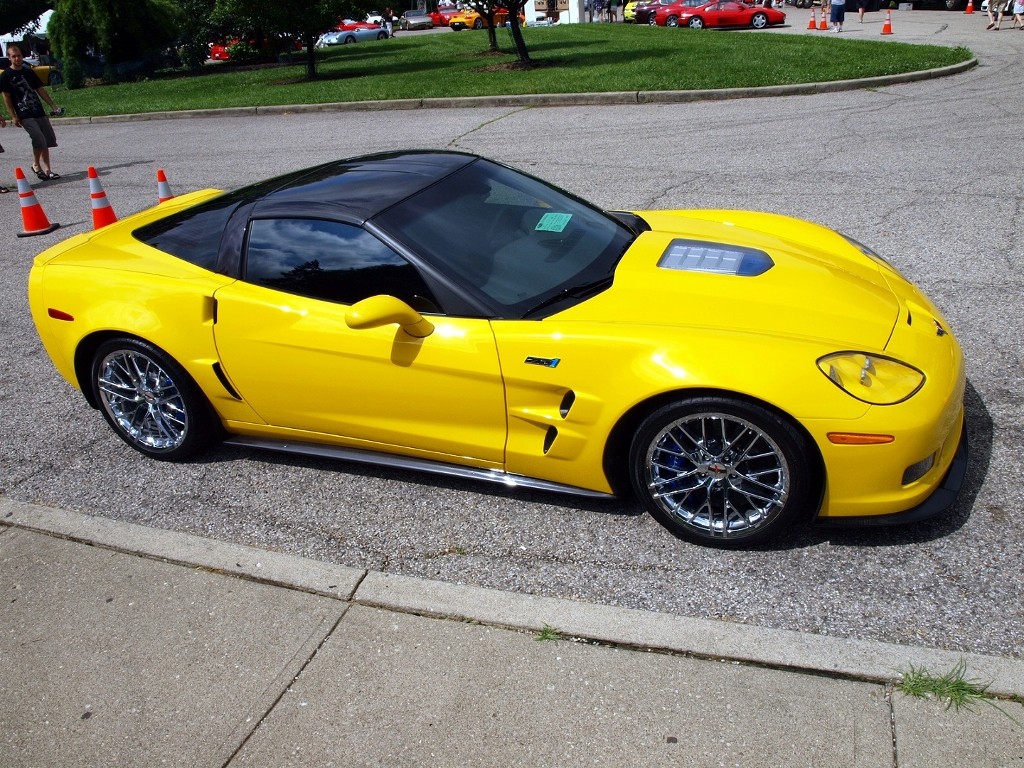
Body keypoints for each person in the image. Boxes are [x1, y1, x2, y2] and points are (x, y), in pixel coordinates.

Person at [0, 44, 63, 181]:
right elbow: (6, 97)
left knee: (47, 140)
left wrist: (52, 105)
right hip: (24, 113)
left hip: (37, 110)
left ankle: (47, 170)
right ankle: (36, 165)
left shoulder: (28, 71)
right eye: (14, 56)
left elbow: (40, 89)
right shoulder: (6, 76)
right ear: (9, 58)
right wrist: (13, 116)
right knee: (39, 138)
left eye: (19, 56)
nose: (17, 59)